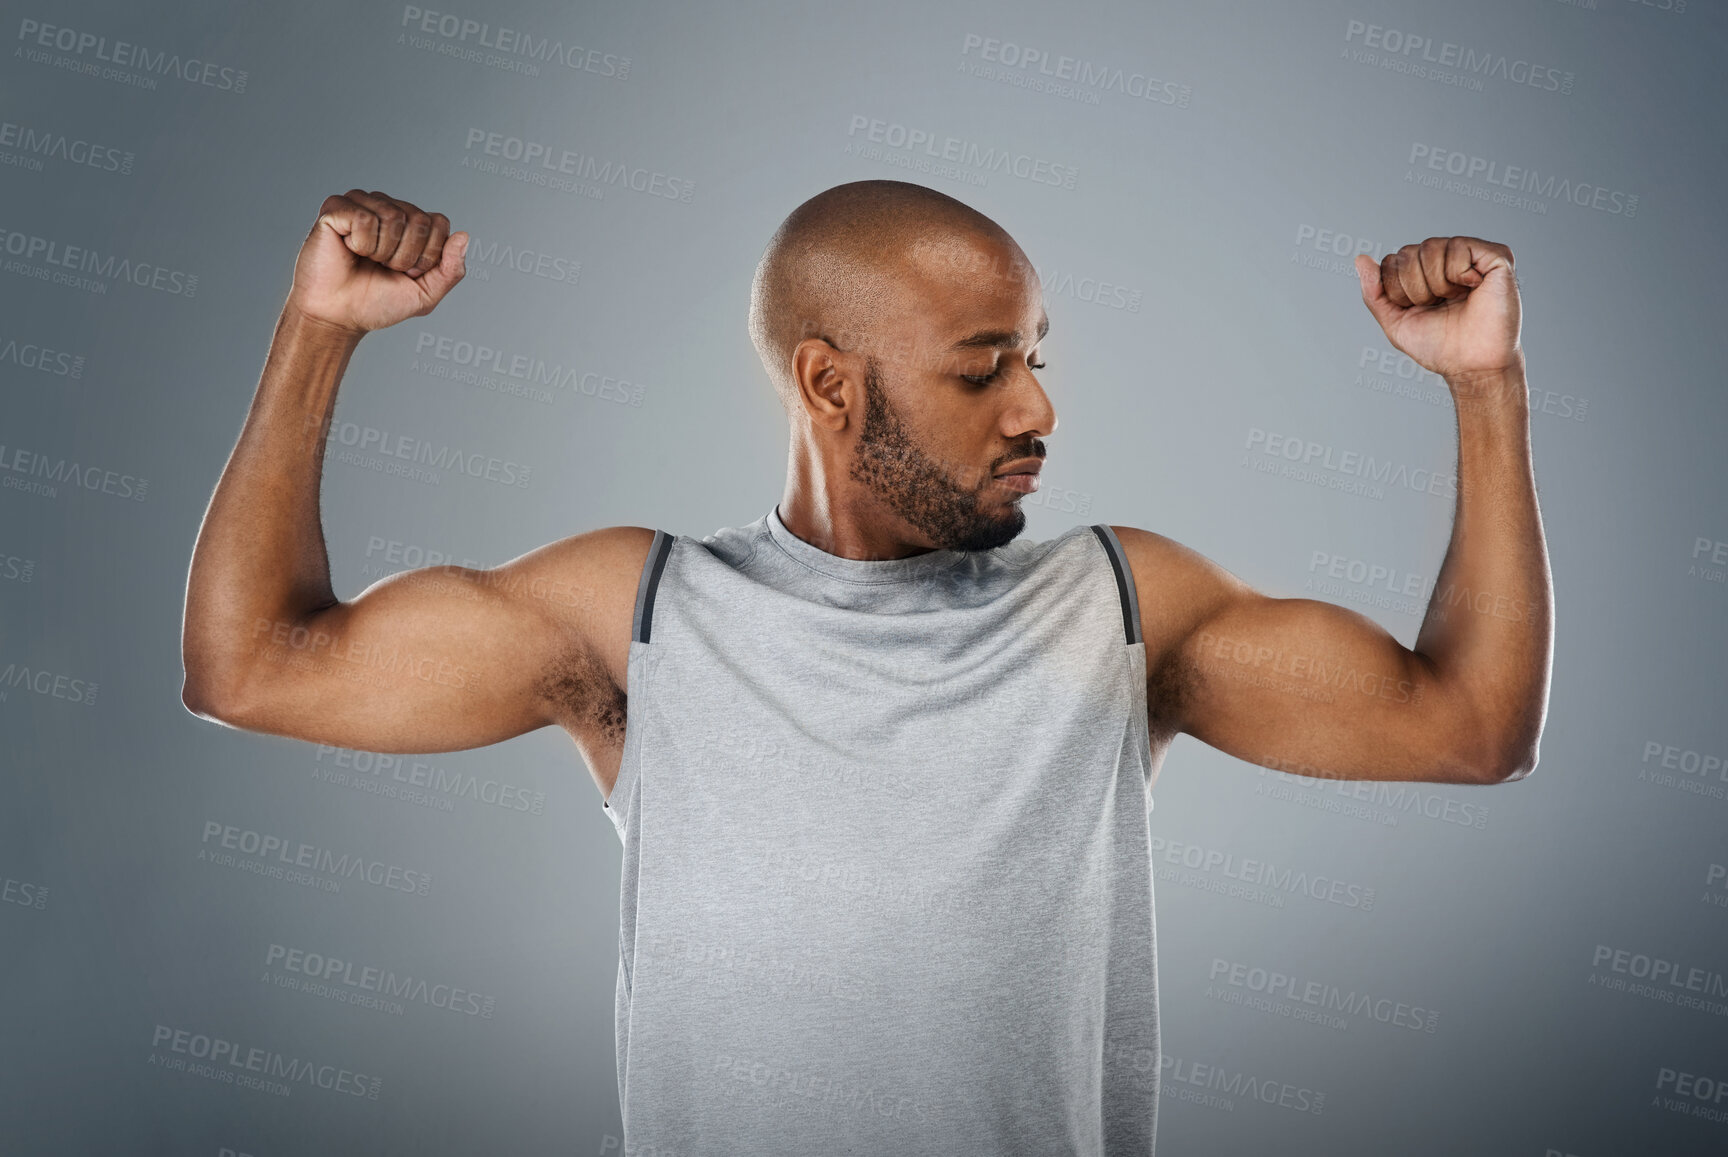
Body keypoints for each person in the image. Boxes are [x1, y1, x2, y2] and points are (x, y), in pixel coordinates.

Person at [181, 179, 1552, 1155]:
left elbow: (1471, 723)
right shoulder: (640, 612)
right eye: (982, 369)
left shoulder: (1122, 606)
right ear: (832, 387)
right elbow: (253, 666)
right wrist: (322, 330)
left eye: (1037, 356)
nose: (1038, 407)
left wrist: (1484, 387)